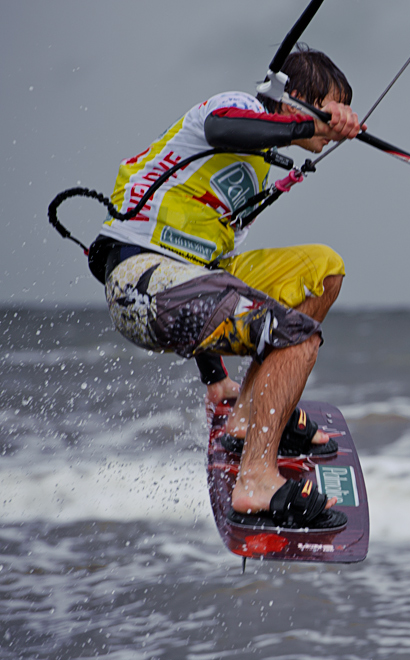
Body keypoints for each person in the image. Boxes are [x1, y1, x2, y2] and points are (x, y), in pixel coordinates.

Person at [86, 46, 363, 529]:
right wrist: (307, 125)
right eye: (332, 104)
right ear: (296, 97)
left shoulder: (252, 169)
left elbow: (203, 268)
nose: (337, 118)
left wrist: (215, 379)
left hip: (179, 279)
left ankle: (246, 420)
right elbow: (223, 129)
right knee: (296, 335)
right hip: (140, 281)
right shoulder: (237, 107)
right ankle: (256, 480)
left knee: (325, 268)